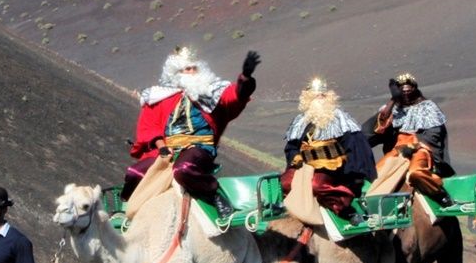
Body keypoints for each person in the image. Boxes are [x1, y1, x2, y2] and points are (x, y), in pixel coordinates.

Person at [121, 46, 260, 216]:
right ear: (176, 72)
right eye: (188, 68)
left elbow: (233, 96)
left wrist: (245, 78)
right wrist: (161, 145)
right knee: (134, 173)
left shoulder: (210, 91)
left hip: (199, 148)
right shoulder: (159, 96)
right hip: (167, 150)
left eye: (195, 68)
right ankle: (128, 208)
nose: (192, 72)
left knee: (183, 170)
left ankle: (214, 194)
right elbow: (149, 126)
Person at [281, 77, 376, 222]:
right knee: (285, 182)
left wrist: (352, 173)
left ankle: (345, 209)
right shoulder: (300, 121)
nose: (320, 98)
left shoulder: (341, 119)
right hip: (305, 166)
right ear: (308, 99)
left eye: (323, 95)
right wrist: (296, 156)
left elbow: (354, 146)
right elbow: (292, 146)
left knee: (317, 185)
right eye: (315, 96)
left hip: (334, 168)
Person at [364, 72, 456, 205]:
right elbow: (380, 126)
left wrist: (414, 146)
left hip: (421, 150)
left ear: (415, 89)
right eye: (402, 92)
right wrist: (393, 100)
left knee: (416, 173)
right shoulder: (395, 109)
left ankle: (439, 193)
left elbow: (433, 135)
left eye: (408, 91)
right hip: (398, 151)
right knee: (376, 175)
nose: (405, 95)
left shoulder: (428, 108)